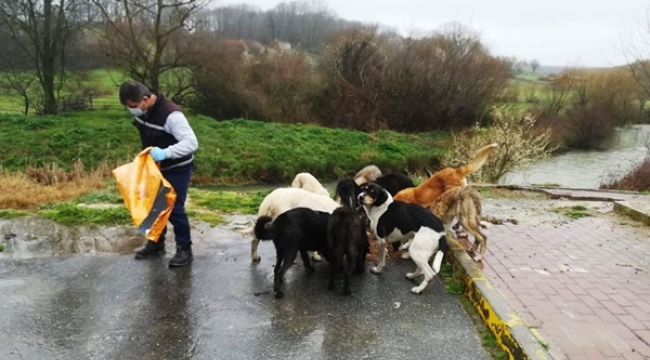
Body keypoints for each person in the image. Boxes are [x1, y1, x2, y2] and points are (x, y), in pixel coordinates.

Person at [119, 80, 199, 267]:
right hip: (155, 168)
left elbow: (191, 143)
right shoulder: (145, 111)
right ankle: (156, 244)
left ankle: (185, 250)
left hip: (178, 167)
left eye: (133, 106)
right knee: (154, 206)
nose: (132, 110)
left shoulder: (171, 116)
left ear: (145, 99)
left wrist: (166, 152)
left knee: (174, 208)